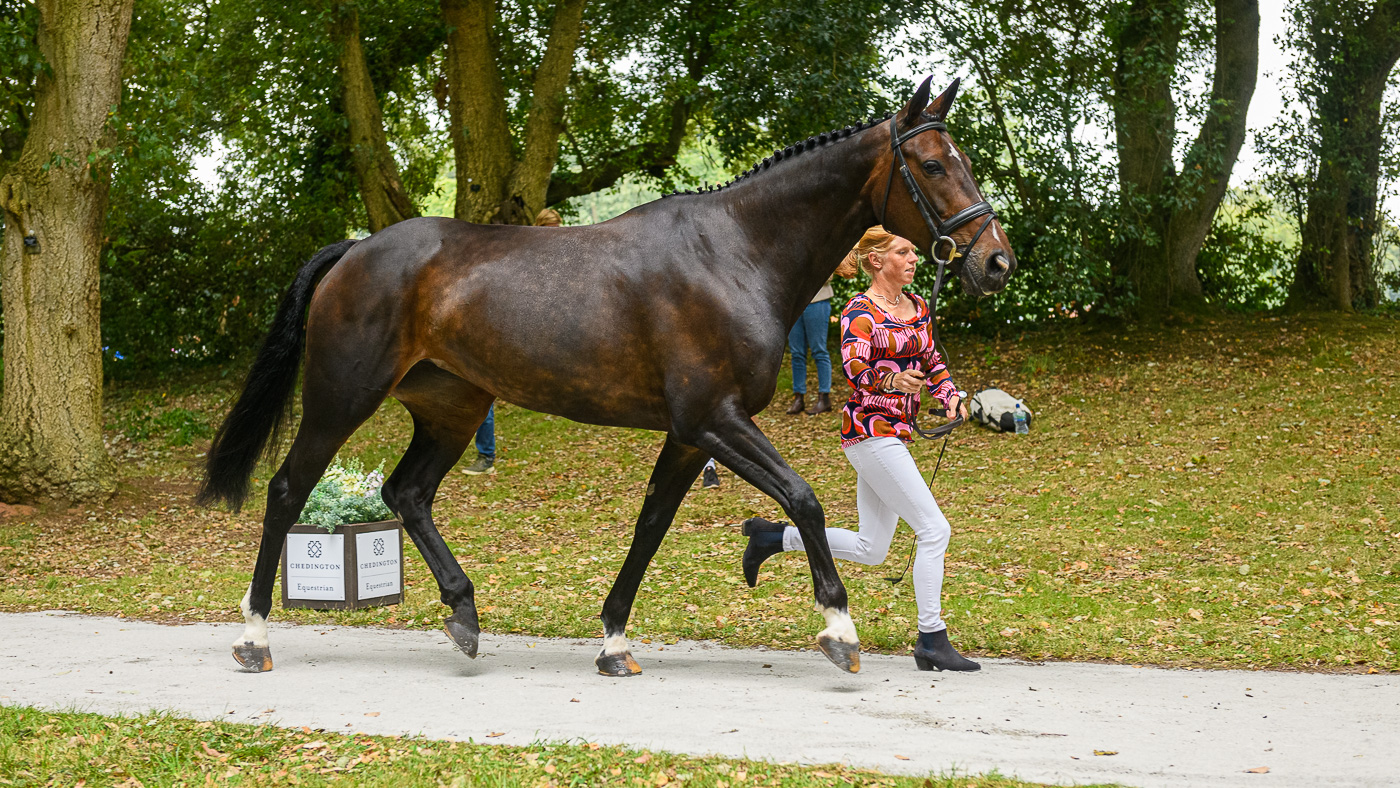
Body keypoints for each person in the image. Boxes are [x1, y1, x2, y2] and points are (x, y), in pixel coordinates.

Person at [740, 227, 978, 672]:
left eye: (913, 252)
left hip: (895, 433)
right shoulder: (859, 311)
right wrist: (891, 380)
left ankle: (772, 537)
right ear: (876, 260)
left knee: (871, 548)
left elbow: (933, 362)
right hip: (870, 432)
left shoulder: (917, 306)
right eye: (903, 252)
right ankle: (931, 639)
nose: (914, 258)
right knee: (934, 530)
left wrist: (950, 396)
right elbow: (855, 369)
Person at [465, 207, 563, 477]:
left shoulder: (564, 259)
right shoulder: (525, 257)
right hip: (509, 331)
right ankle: (485, 455)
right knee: (481, 389)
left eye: (558, 231)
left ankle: (486, 455)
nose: (554, 237)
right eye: (550, 231)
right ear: (539, 228)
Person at [784, 275, 840, 415]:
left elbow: (827, 274)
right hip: (795, 303)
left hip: (817, 301)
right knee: (796, 353)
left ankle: (824, 398)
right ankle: (798, 398)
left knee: (819, 351)